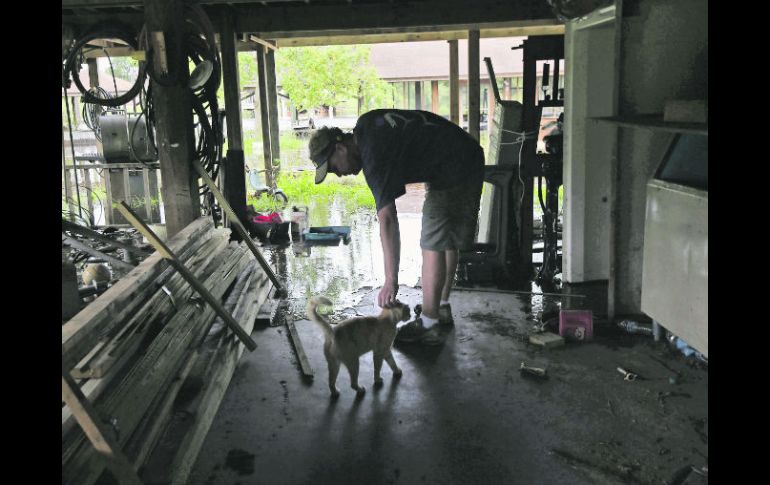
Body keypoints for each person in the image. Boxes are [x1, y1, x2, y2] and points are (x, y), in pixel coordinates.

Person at [309, 109, 484, 345]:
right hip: (467, 155)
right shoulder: (367, 126)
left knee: (432, 240)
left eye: (332, 167)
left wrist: (390, 280)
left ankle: (430, 324)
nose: (338, 174)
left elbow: (388, 220)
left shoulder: (373, 155)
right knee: (445, 237)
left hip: (452, 167)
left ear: (340, 148)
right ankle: (441, 307)